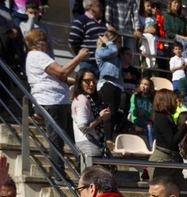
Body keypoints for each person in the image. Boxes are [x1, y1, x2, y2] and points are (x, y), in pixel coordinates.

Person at [24, 29, 88, 176]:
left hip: (58, 100)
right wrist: (79, 57)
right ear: (36, 44)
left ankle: (81, 169)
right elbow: (61, 72)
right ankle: (59, 173)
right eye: (44, 41)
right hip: (51, 101)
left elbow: (61, 76)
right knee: (57, 139)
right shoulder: (38, 55)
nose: (48, 44)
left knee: (73, 137)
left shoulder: (37, 57)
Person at [149, 88, 187, 188]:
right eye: (173, 99)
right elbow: (172, 141)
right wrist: (186, 125)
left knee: (184, 193)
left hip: (171, 159)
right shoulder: (161, 118)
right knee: (162, 193)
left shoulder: (168, 117)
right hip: (162, 160)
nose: (176, 102)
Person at [71, 69, 109, 165]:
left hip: (91, 144)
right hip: (89, 146)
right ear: (80, 82)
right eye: (87, 81)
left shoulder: (86, 99)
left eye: (94, 81)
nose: (91, 84)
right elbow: (84, 127)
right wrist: (100, 117)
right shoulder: (82, 100)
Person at [95, 29, 123, 155]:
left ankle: (110, 138)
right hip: (107, 83)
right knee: (108, 113)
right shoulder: (101, 51)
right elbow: (113, 50)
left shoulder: (115, 56)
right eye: (117, 41)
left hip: (116, 85)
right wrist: (108, 42)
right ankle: (107, 139)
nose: (118, 44)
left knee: (115, 114)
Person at [68, 0, 106, 73]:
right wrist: (81, 54)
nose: (102, 8)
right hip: (88, 63)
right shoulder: (81, 21)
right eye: (99, 5)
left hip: (102, 63)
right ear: (91, 7)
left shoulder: (102, 23)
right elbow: (73, 40)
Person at [128, 77, 155, 148]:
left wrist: (145, 113)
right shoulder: (135, 96)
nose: (143, 86)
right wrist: (138, 111)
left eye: (146, 84)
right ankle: (152, 147)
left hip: (148, 120)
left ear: (150, 87)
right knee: (148, 125)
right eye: (142, 84)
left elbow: (152, 114)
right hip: (137, 119)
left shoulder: (151, 99)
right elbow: (133, 111)